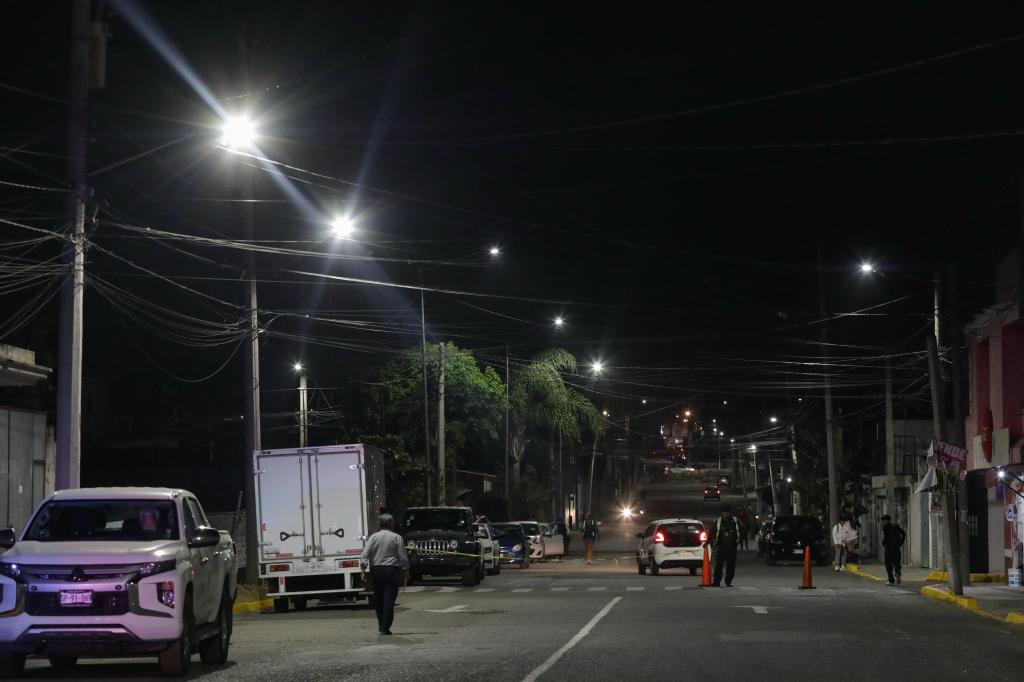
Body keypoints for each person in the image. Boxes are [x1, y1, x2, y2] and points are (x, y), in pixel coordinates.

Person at [360, 513, 410, 635]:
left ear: (379, 524)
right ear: (391, 524)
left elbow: (365, 555)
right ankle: (385, 626)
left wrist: (363, 569)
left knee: (379, 598)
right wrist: (406, 569)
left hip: (376, 570)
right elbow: (402, 556)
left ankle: (381, 623)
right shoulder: (396, 537)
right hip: (391, 570)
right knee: (389, 598)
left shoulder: (373, 537)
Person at [710, 505, 742, 587]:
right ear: (722, 513)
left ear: (729, 513)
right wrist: (708, 542)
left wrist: (739, 540)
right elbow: (712, 532)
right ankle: (716, 582)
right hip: (721, 547)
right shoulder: (718, 521)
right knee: (718, 566)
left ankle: (728, 582)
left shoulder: (735, 521)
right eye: (724, 512)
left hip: (732, 547)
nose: (725, 514)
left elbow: (743, 530)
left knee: (730, 566)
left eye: (727, 512)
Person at [880, 514, 906, 585]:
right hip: (897, 548)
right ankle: (898, 573)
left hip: (889, 548)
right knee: (896, 562)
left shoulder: (885, 527)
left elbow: (886, 537)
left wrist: (884, 543)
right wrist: (901, 542)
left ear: (886, 520)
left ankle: (891, 580)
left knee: (888, 564)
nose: (882, 522)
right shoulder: (896, 526)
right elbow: (903, 533)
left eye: (883, 521)